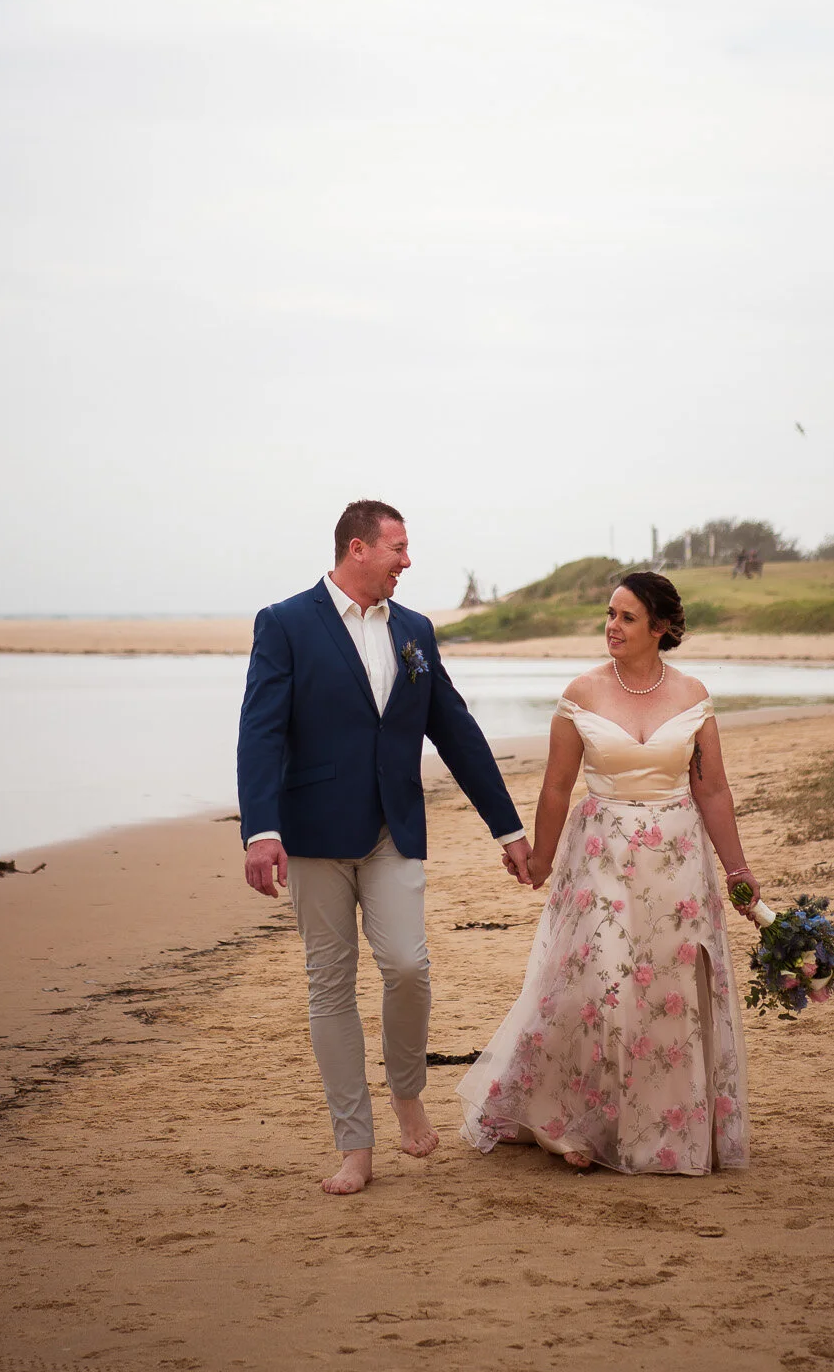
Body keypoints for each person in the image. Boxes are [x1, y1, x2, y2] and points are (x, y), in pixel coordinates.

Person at [238, 500, 531, 1195]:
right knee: (329, 986)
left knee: (407, 965)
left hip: (391, 831)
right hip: (309, 835)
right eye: (397, 548)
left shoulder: (414, 631)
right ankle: (354, 1145)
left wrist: (507, 828)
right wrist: (261, 830)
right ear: (357, 548)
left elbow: (453, 730)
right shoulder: (284, 623)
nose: (407, 561)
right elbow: (260, 731)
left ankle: (406, 1089)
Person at [458, 571, 761, 1176]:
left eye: (626, 617)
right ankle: (570, 1120)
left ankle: (660, 1128)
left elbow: (714, 789)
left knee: (669, 992)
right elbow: (555, 787)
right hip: (600, 856)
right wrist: (541, 859)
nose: (612, 627)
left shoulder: (694, 696)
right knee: (602, 982)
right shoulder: (582, 693)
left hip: (677, 863)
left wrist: (737, 869)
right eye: (609, 614)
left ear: (663, 627)